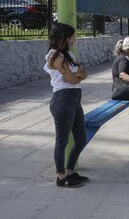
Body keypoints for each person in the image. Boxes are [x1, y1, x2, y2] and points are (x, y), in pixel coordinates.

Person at [43, 23, 89, 188]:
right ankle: (61, 176)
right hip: (63, 99)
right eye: (72, 36)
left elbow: (83, 72)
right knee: (62, 140)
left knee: (81, 138)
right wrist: (78, 75)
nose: (74, 39)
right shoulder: (55, 56)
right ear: (64, 37)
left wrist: (77, 75)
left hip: (74, 98)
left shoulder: (67, 54)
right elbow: (71, 79)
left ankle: (70, 171)